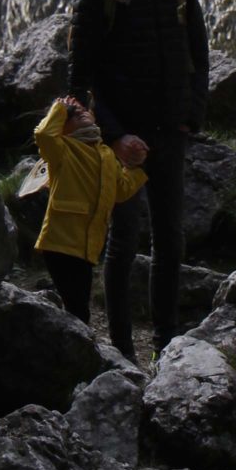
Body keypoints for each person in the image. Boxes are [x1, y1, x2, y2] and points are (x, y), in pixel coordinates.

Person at [67, 0, 210, 361]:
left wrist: (191, 117)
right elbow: (79, 80)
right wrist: (114, 134)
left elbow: (199, 55)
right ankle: (124, 349)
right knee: (124, 239)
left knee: (171, 238)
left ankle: (167, 343)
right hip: (122, 140)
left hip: (171, 132)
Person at [29, 95, 147, 323]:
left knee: (78, 304)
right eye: (73, 115)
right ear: (62, 126)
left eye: (83, 110)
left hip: (88, 245)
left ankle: (69, 341)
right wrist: (59, 108)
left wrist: (137, 167)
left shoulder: (106, 154)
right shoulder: (62, 149)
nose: (80, 112)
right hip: (60, 242)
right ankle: (73, 347)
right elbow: (43, 134)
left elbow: (120, 190)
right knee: (77, 307)